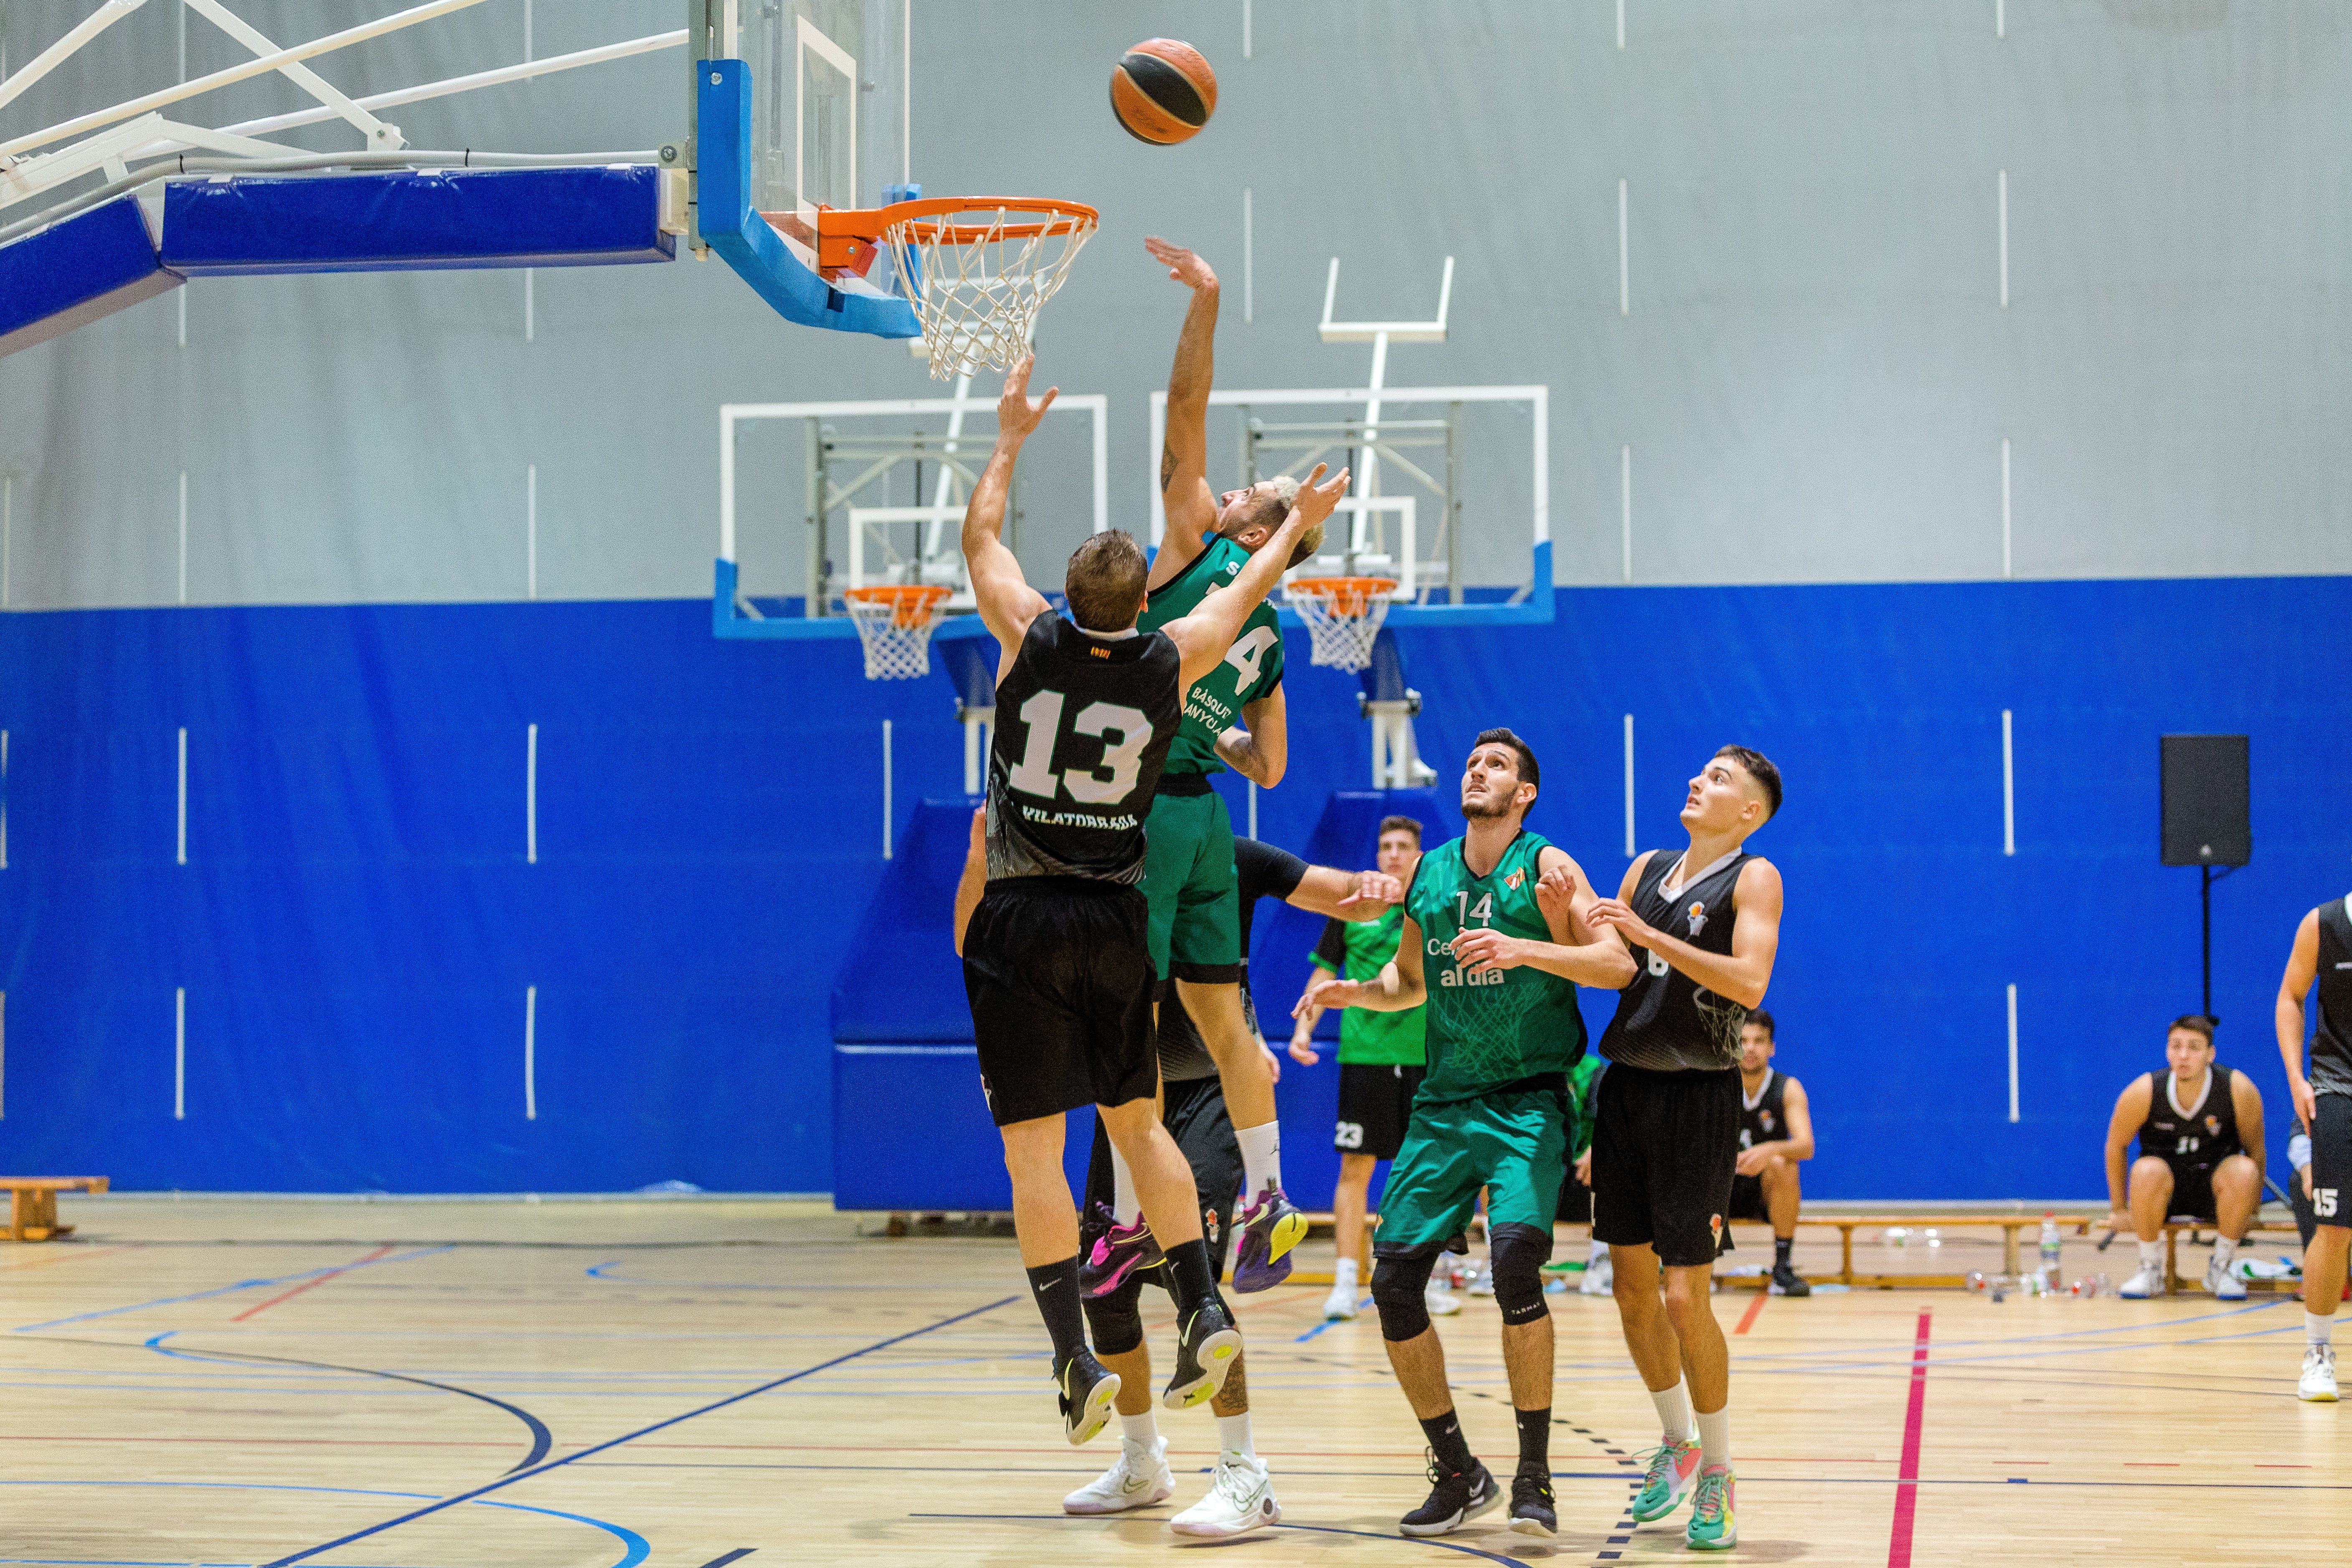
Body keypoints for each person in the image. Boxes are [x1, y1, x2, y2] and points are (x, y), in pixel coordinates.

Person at [956, 351, 1347, 1444]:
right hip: (1118, 920)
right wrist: (1289, 529)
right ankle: (1204, 1296)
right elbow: (1246, 590)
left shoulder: (1023, 638)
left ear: (1064, 594)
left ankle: (1072, 1359)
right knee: (1139, 1122)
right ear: (1138, 602)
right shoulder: (1171, 662)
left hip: (1024, 916)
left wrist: (1005, 440)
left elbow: (979, 540)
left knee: (1031, 1150)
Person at [957, 825, 1398, 1535]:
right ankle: (1142, 1461)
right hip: (1128, 1102)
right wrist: (983, 854)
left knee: (1199, 1295)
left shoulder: (1229, 850)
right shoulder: (1102, 862)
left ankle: (1244, 1469)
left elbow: (1342, 894)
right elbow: (980, 938)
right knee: (1105, 1287)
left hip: (1208, 1100)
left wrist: (1390, 886)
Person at [1299, 730, 1634, 1540]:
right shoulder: (1429, 874)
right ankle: (1457, 1469)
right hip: (1443, 1104)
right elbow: (1407, 980)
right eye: (1472, 761)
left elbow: (1617, 962)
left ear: (1525, 793)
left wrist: (1526, 943)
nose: (1475, 770)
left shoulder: (1550, 867)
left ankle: (1534, 1474)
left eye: (1496, 765)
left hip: (1526, 1101)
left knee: (1516, 1262)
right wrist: (1347, 990)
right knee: (1392, 1285)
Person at [1085, 236, 1330, 1303]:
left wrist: (1207, 303)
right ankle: (1272, 1196)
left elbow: (1183, 413)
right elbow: (1268, 766)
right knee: (1227, 1024)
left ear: (1256, 528)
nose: (1228, 486)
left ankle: (1135, 1219)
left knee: (1123, 1019)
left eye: (1250, 491)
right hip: (1202, 825)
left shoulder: (1197, 548)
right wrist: (1217, 730)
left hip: (1137, 817)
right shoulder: (1270, 636)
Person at [1584, 745, 1786, 1553]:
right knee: (1632, 1290)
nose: (1698, 781)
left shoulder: (1754, 875)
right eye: (1698, 771)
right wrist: (1561, 922)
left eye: (1720, 779)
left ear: (1749, 811)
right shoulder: (1645, 866)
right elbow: (1612, 965)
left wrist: (1645, 937)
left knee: (1681, 1296)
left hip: (1700, 1094)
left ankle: (1720, 1470)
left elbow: (1749, 982)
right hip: (1626, 1087)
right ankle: (1677, 1439)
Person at [1289, 814, 1430, 1322]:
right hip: (1365, 1055)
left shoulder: (1431, 904)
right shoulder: (1352, 909)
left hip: (1423, 1055)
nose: (1393, 854)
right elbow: (1325, 969)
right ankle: (1347, 1278)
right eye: (1385, 845)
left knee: (1424, 1172)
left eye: (1403, 846)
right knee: (1356, 1168)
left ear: (1418, 854)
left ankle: (1422, 1277)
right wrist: (1305, 1026)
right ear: (1377, 855)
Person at [2101, 1015, 2264, 1300]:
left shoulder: (2237, 1088)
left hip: (2214, 1191)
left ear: (2210, 1054)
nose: (2183, 1055)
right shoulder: (2144, 1090)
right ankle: (2150, 1268)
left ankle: (2221, 1268)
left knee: (2244, 1170)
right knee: (2145, 1170)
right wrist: (2118, 1208)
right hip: (2164, 1192)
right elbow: (2115, 1145)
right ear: (2167, 1051)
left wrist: (2252, 1210)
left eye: (2193, 1047)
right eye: (2176, 1046)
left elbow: (2256, 1150)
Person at [2276, 891, 2352, 1401]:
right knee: (2335, 1227)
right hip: (2339, 1086)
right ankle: (2318, 1354)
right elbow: (2290, 996)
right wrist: (2297, 1080)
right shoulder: (2324, 923)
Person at [1729, 1011, 1814, 1298]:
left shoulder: (1787, 1088)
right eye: (1743, 1040)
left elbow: (1806, 1146)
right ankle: (1690, 1265)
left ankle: (1782, 1268)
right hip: (1720, 1186)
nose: (1750, 1048)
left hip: (1760, 1192)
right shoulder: (1717, 1086)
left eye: (1759, 1041)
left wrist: (1769, 1149)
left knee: (1783, 1164)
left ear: (1771, 1048)